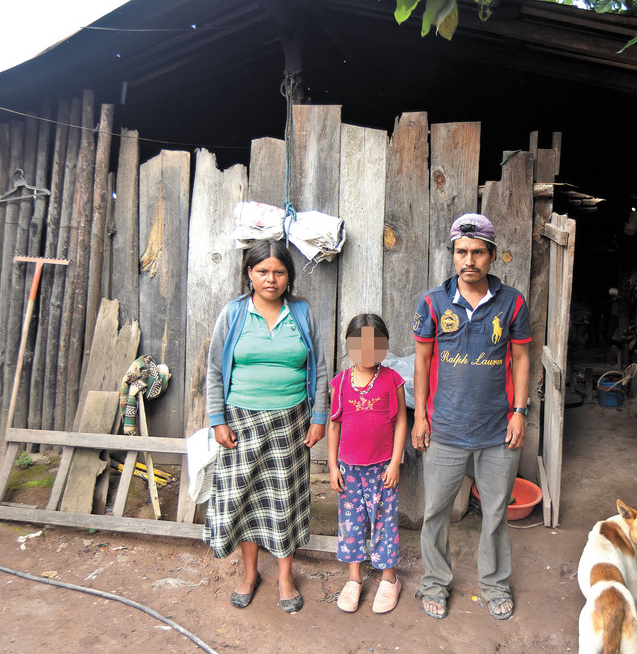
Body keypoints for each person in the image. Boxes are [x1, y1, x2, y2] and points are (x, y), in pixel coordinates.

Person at [411, 213, 531, 621]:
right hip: (444, 427)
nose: (469, 260)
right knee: (435, 512)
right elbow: (422, 361)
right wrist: (420, 417)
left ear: (492, 255)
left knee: (496, 512)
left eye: (478, 252)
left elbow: (521, 357)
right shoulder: (433, 302)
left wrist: (519, 412)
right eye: (461, 252)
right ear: (453, 254)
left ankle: (494, 584)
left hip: (498, 428)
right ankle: (435, 582)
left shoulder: (512, 302)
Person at [203, 239, 328, 613]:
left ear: (288, 276)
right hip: (241, 421)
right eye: (262, 271)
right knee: (245, 499)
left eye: (279, 272)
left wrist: (318, 417)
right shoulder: (233, 313)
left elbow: (320, 368)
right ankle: (249, 574)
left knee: (283, 499)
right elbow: (214, 370)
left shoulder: (301, 312)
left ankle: (285, 577)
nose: (270, 279)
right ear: (249, 273)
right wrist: (217, 420)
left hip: (291, 421)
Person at [327, 314, 407, 614]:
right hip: (349, 470)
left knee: (384, 522)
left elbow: (401, 421)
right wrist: (333, 466)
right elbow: (334, 425)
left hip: (382, 468)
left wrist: (395, 462)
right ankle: (354, 579)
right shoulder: (340, 383)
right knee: (351, 524)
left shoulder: (392, 380)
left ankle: (389, 579)